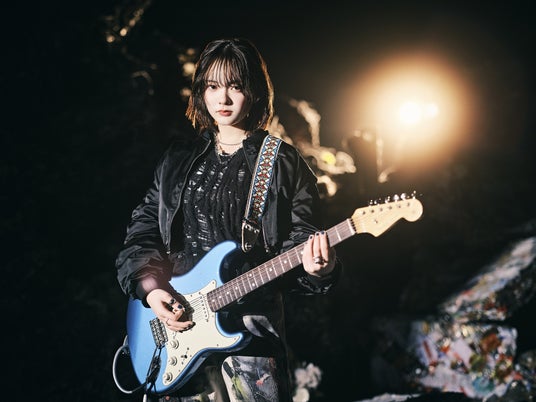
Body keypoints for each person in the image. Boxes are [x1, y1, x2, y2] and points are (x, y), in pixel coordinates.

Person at [116, 37, 341, 402]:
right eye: (212, 86)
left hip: (251, 334)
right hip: (178, 328)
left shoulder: (281, 162)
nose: (222, 98)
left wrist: (319, 269)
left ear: (254, 91)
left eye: (235, 86)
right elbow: (143, 230)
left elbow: (302, 240)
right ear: (201, 91)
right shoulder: (178, 158)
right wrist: (152, 289)